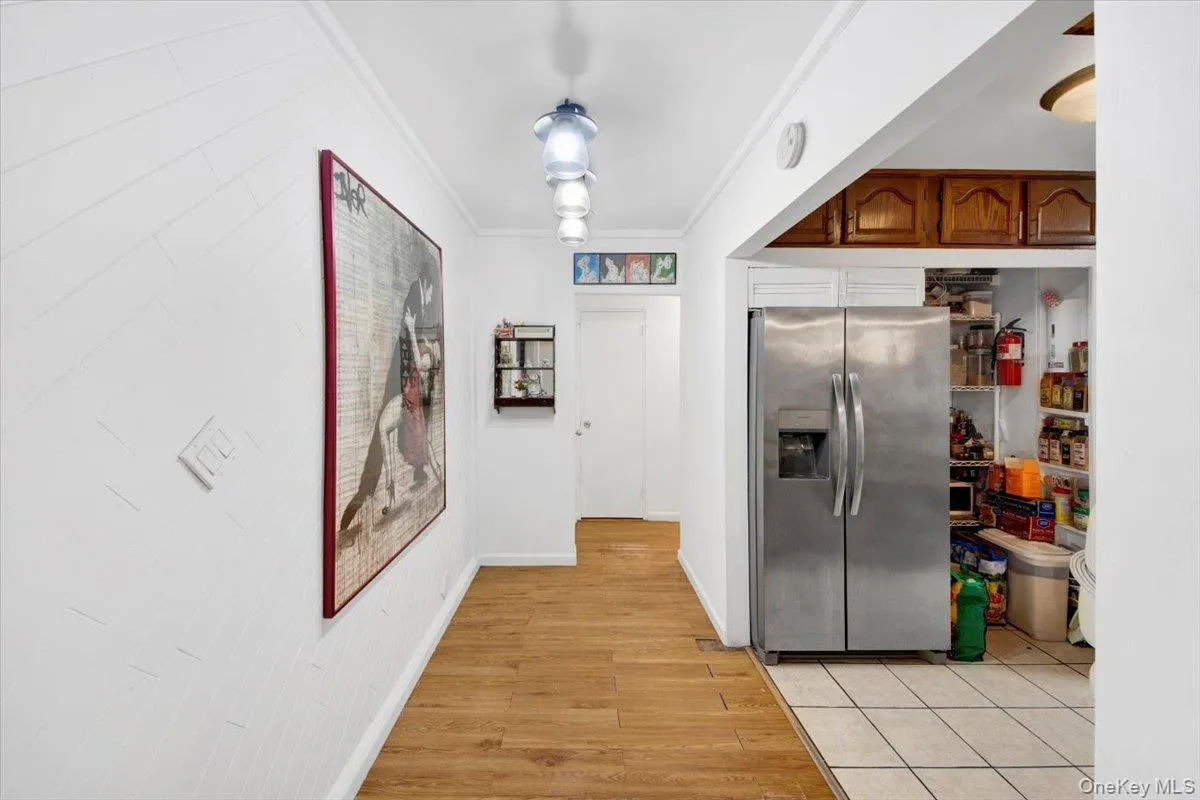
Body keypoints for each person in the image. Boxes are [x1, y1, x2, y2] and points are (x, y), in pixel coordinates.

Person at [339, 248, 441, 532]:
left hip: (417, 379)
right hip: (406, 375)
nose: (433, 299)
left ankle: (415, 472)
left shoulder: (429, 311)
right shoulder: (415, 295)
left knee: (419, 434)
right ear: (427, 284)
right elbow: (413, 348)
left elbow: (426, 355)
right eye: (433, 291)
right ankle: (372, 487)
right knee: (388, 430)